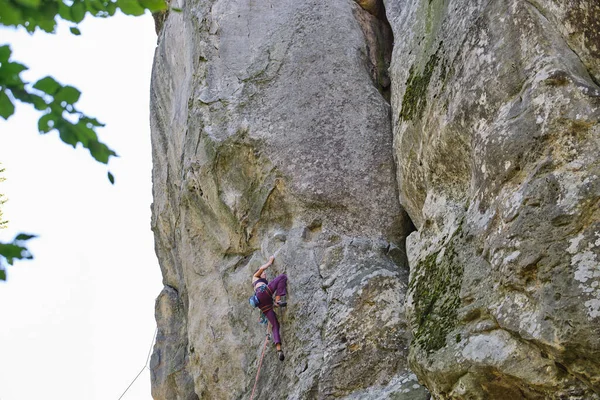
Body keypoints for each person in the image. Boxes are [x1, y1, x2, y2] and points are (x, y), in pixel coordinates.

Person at [252, 255, 288, 361]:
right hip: (263, 293)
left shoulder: (259, 284)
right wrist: (270, 261)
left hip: (263, 305)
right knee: (282, 277)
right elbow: (262, 268)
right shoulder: (255, 278)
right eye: (263, 274)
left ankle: (279, 349)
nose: (265, 273)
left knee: (275, 324)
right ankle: (277, 301)